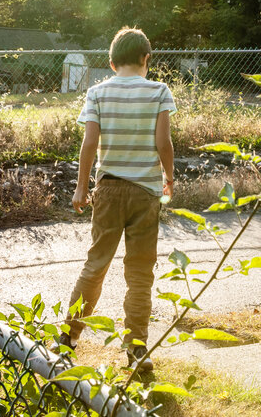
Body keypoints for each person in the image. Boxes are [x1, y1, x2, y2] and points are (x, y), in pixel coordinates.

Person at [58, 27, 176, 373]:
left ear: (111, 63)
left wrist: (81, 187)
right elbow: (163, 142)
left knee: (95, 265)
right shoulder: (159, 91)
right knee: (140, 273)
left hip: (107, 190)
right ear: (146, 59)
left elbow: (89, 144)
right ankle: (137, 350)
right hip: (145, 193)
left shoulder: (97, 92)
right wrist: (169, 176)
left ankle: (67, 338)